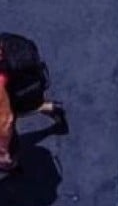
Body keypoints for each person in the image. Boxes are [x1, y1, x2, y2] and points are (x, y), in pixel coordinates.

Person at [0, 33, 67, 173]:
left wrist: (3, 152)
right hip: (15, 92)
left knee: (8, 140)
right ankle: (48, 107)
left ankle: (10, 164)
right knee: (20, 106)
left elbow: (6, 121)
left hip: (9, 96)